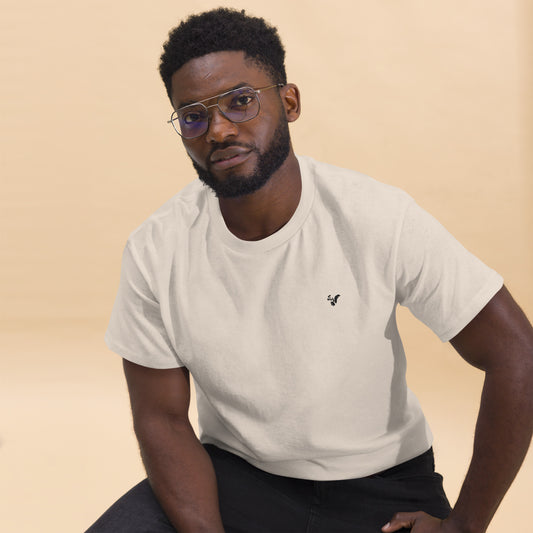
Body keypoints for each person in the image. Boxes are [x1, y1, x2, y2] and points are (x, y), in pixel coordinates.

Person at [86, 8, 533, 533]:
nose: (219, 130)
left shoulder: (376, 216)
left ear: (289, 102)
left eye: (240, 101)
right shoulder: (156, 249)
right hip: (236, 479)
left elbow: (516, 354)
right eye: (193, 117)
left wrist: (465, 526)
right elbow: (160, 417)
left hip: (381, 487)